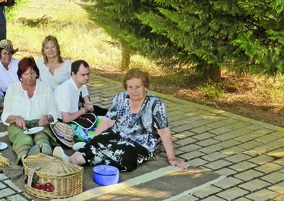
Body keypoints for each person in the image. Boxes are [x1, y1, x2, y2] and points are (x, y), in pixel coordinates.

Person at [54, 69, 188, 172]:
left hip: (140, 143)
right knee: (98, 143)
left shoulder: (155, 104)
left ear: (145, 86)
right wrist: (93, 141)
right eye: (130, 87)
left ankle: (80, 160)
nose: (134, 91)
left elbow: (164, 132)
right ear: (126, 87)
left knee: (124, 158)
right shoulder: (121, 98)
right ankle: (72, 161)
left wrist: (172, 158)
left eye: (138, 87)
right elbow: (106, 121)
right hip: (117, 134)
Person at [2, 57, 58, 164]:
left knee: (42, 138)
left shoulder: (45, 88)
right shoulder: (12, 89)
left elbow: (53, 113)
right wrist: (15, 118)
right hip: (18, 126)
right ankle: (27, 160)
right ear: (20, 75)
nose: (29, 78)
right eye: (26, 74)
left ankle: (45, 154)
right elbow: (5, 116)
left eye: (32, 73)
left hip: (39, 125)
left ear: (37, 74)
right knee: (23, 138)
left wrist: (48, 117)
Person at [53, 60, 102, 142]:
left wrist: (87, 104)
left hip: (76, 118)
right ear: (73, 74)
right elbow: (66, 118)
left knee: (108, 122)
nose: (87, 78)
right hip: (63, 124)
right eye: (83, 75)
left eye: (87, 74)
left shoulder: (81, 85)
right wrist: (83, 110)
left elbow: (86, 101)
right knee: (96, 137)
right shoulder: (65, 90)